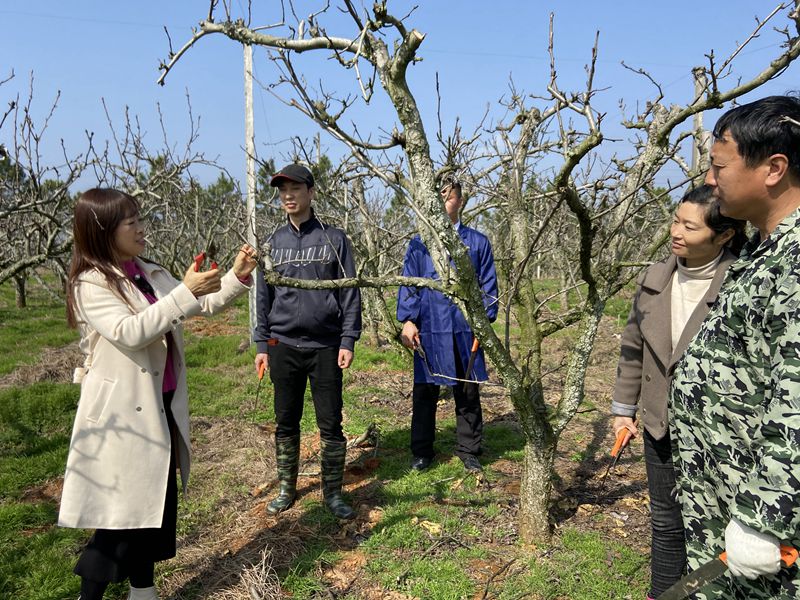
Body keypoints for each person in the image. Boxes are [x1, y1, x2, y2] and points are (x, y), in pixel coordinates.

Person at [59, 188, 258, 600]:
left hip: (159, 406)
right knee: (119, 519)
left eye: (138, 219)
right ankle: (90, 595)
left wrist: (235, 276)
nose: (141, 228)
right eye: (130, 222)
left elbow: (199, 304)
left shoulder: (146, 270)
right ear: (102, 230)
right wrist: (184, 291)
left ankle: (143, 590)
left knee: (150, 510)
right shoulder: (91, 283)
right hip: (122, 417)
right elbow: (130, 332)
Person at [670, 95, 800, 599]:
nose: (709, 179)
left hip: (766, 542)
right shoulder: (767, 252)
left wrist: (763, 519)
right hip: (724, 508)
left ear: (773, 168)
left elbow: (796, 400)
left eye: (718, 165)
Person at [610, 185, 745, 599]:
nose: (676, 232)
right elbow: (633, 348)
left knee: (724, 526)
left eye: (690, 225)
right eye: (675, 220)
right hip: (660, 422)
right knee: (666, 522)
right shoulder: (656, 278)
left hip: (717, 433)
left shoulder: (741, 282)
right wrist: (622, 409)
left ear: (723, 235)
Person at [253, 163, 362, 520]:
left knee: (330, 423)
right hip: (282, 345)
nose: (288, 196)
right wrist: (261, 345)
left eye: (295, 189)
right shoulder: (272, 243)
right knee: (286, 420)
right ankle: (287, 488)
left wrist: (348, 338)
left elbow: (349, 292)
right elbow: (262, 298)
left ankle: (333, 493)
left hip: (326, 345)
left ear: (311, 192)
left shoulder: (334, 239)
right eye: (282, 190)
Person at [396, 176, 499, 472]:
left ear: (460, 201)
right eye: (438, 197)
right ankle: (421, 452)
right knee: (425, 390)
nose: (444, 203)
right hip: (429, 326)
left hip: (465, 328)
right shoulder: (419, 244)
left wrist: (484, 321)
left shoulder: (477, 242)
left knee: (467, 390)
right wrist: (408, 320)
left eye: (449, 197)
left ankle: (469, 449)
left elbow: (488, 287)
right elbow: (409, 284)